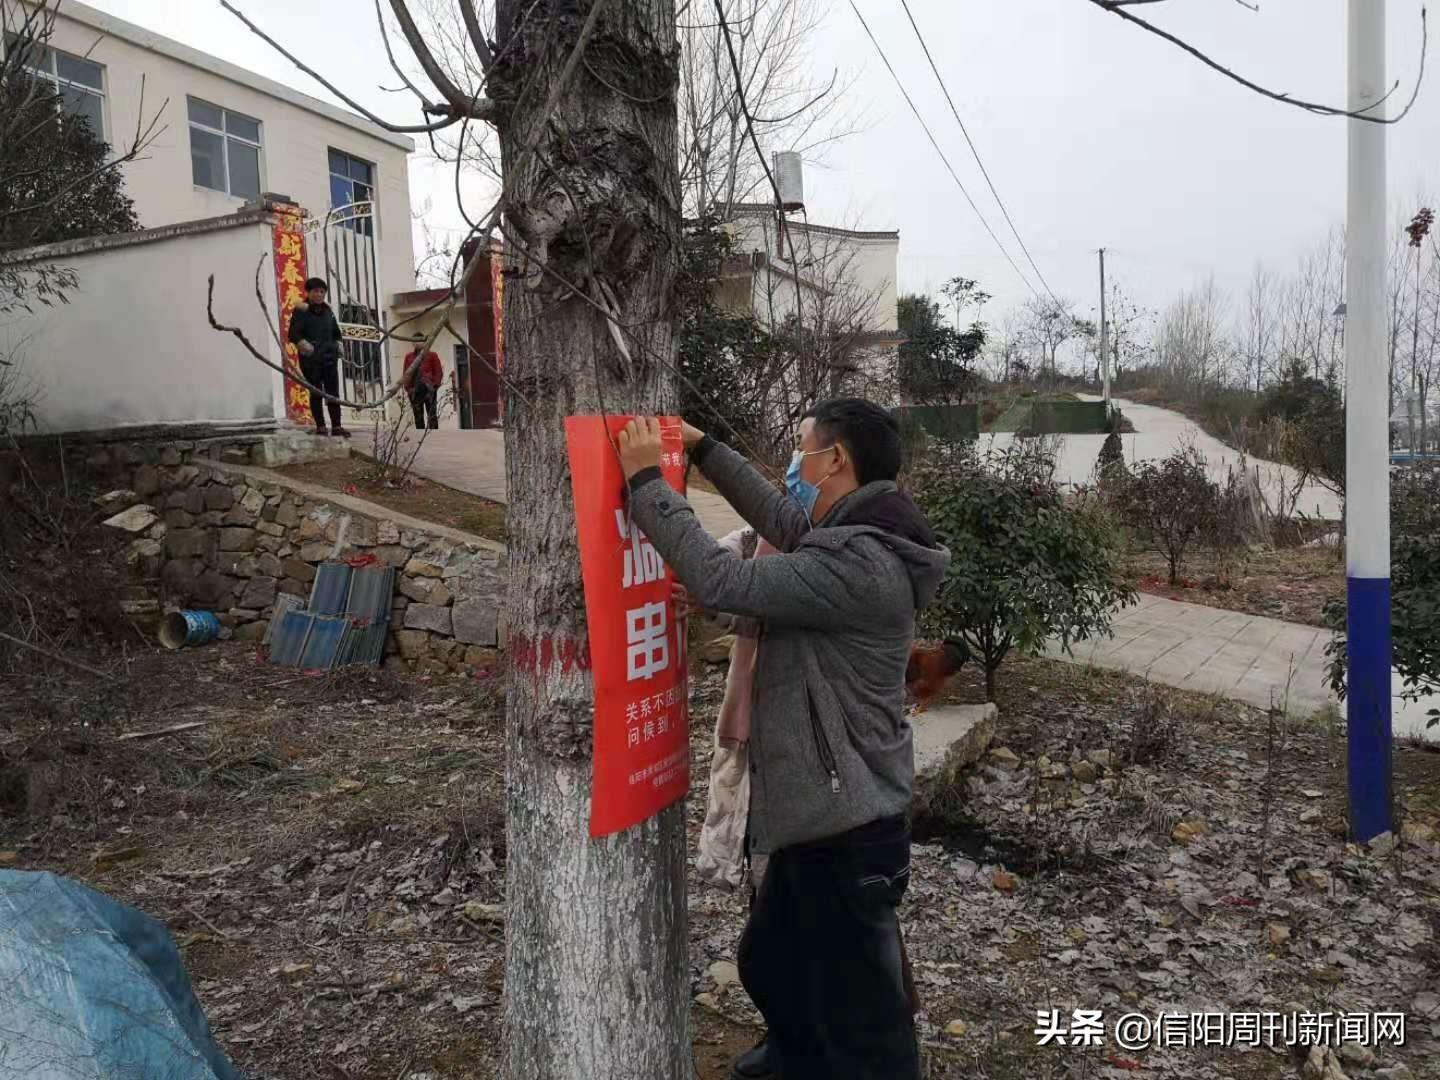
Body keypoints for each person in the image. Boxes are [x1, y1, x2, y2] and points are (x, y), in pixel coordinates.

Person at [618, 400, 950, 1080]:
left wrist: (645, 482)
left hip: (848, 824)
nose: (794, 464)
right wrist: (706, 450)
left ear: (835, 461)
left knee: (868, 1027)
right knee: (768, 959)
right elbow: (782, 519)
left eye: (803, 449)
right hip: (824, 812)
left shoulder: (862, 562)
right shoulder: (856, 528)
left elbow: (720, 578)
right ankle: (796, 1054)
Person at [287, 277, 350, 438]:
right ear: (308, 292)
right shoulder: (301, 310)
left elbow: (336, 331)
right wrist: (303, 344)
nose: (319, 294)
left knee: (333, 393)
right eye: (316, 291)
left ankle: (336, 426)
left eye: (322, 291)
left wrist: (339, 343)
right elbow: (293, 333)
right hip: (311, 359)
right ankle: (321, 426)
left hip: (329, 357)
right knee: (316, 392)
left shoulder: (328, 311)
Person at [402, 332, 444, 430]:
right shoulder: (409, 357)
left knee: (432, 415)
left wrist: (434, 386)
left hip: (429, 389)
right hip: (415, 390)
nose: (417, 343)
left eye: (419, 341)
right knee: (418, 416)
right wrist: (408, 389)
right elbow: (406, 373)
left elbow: (438, 372)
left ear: (425, 342)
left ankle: (434, 437)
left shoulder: (432, 355)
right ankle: (420, 439)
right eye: (414, 341)